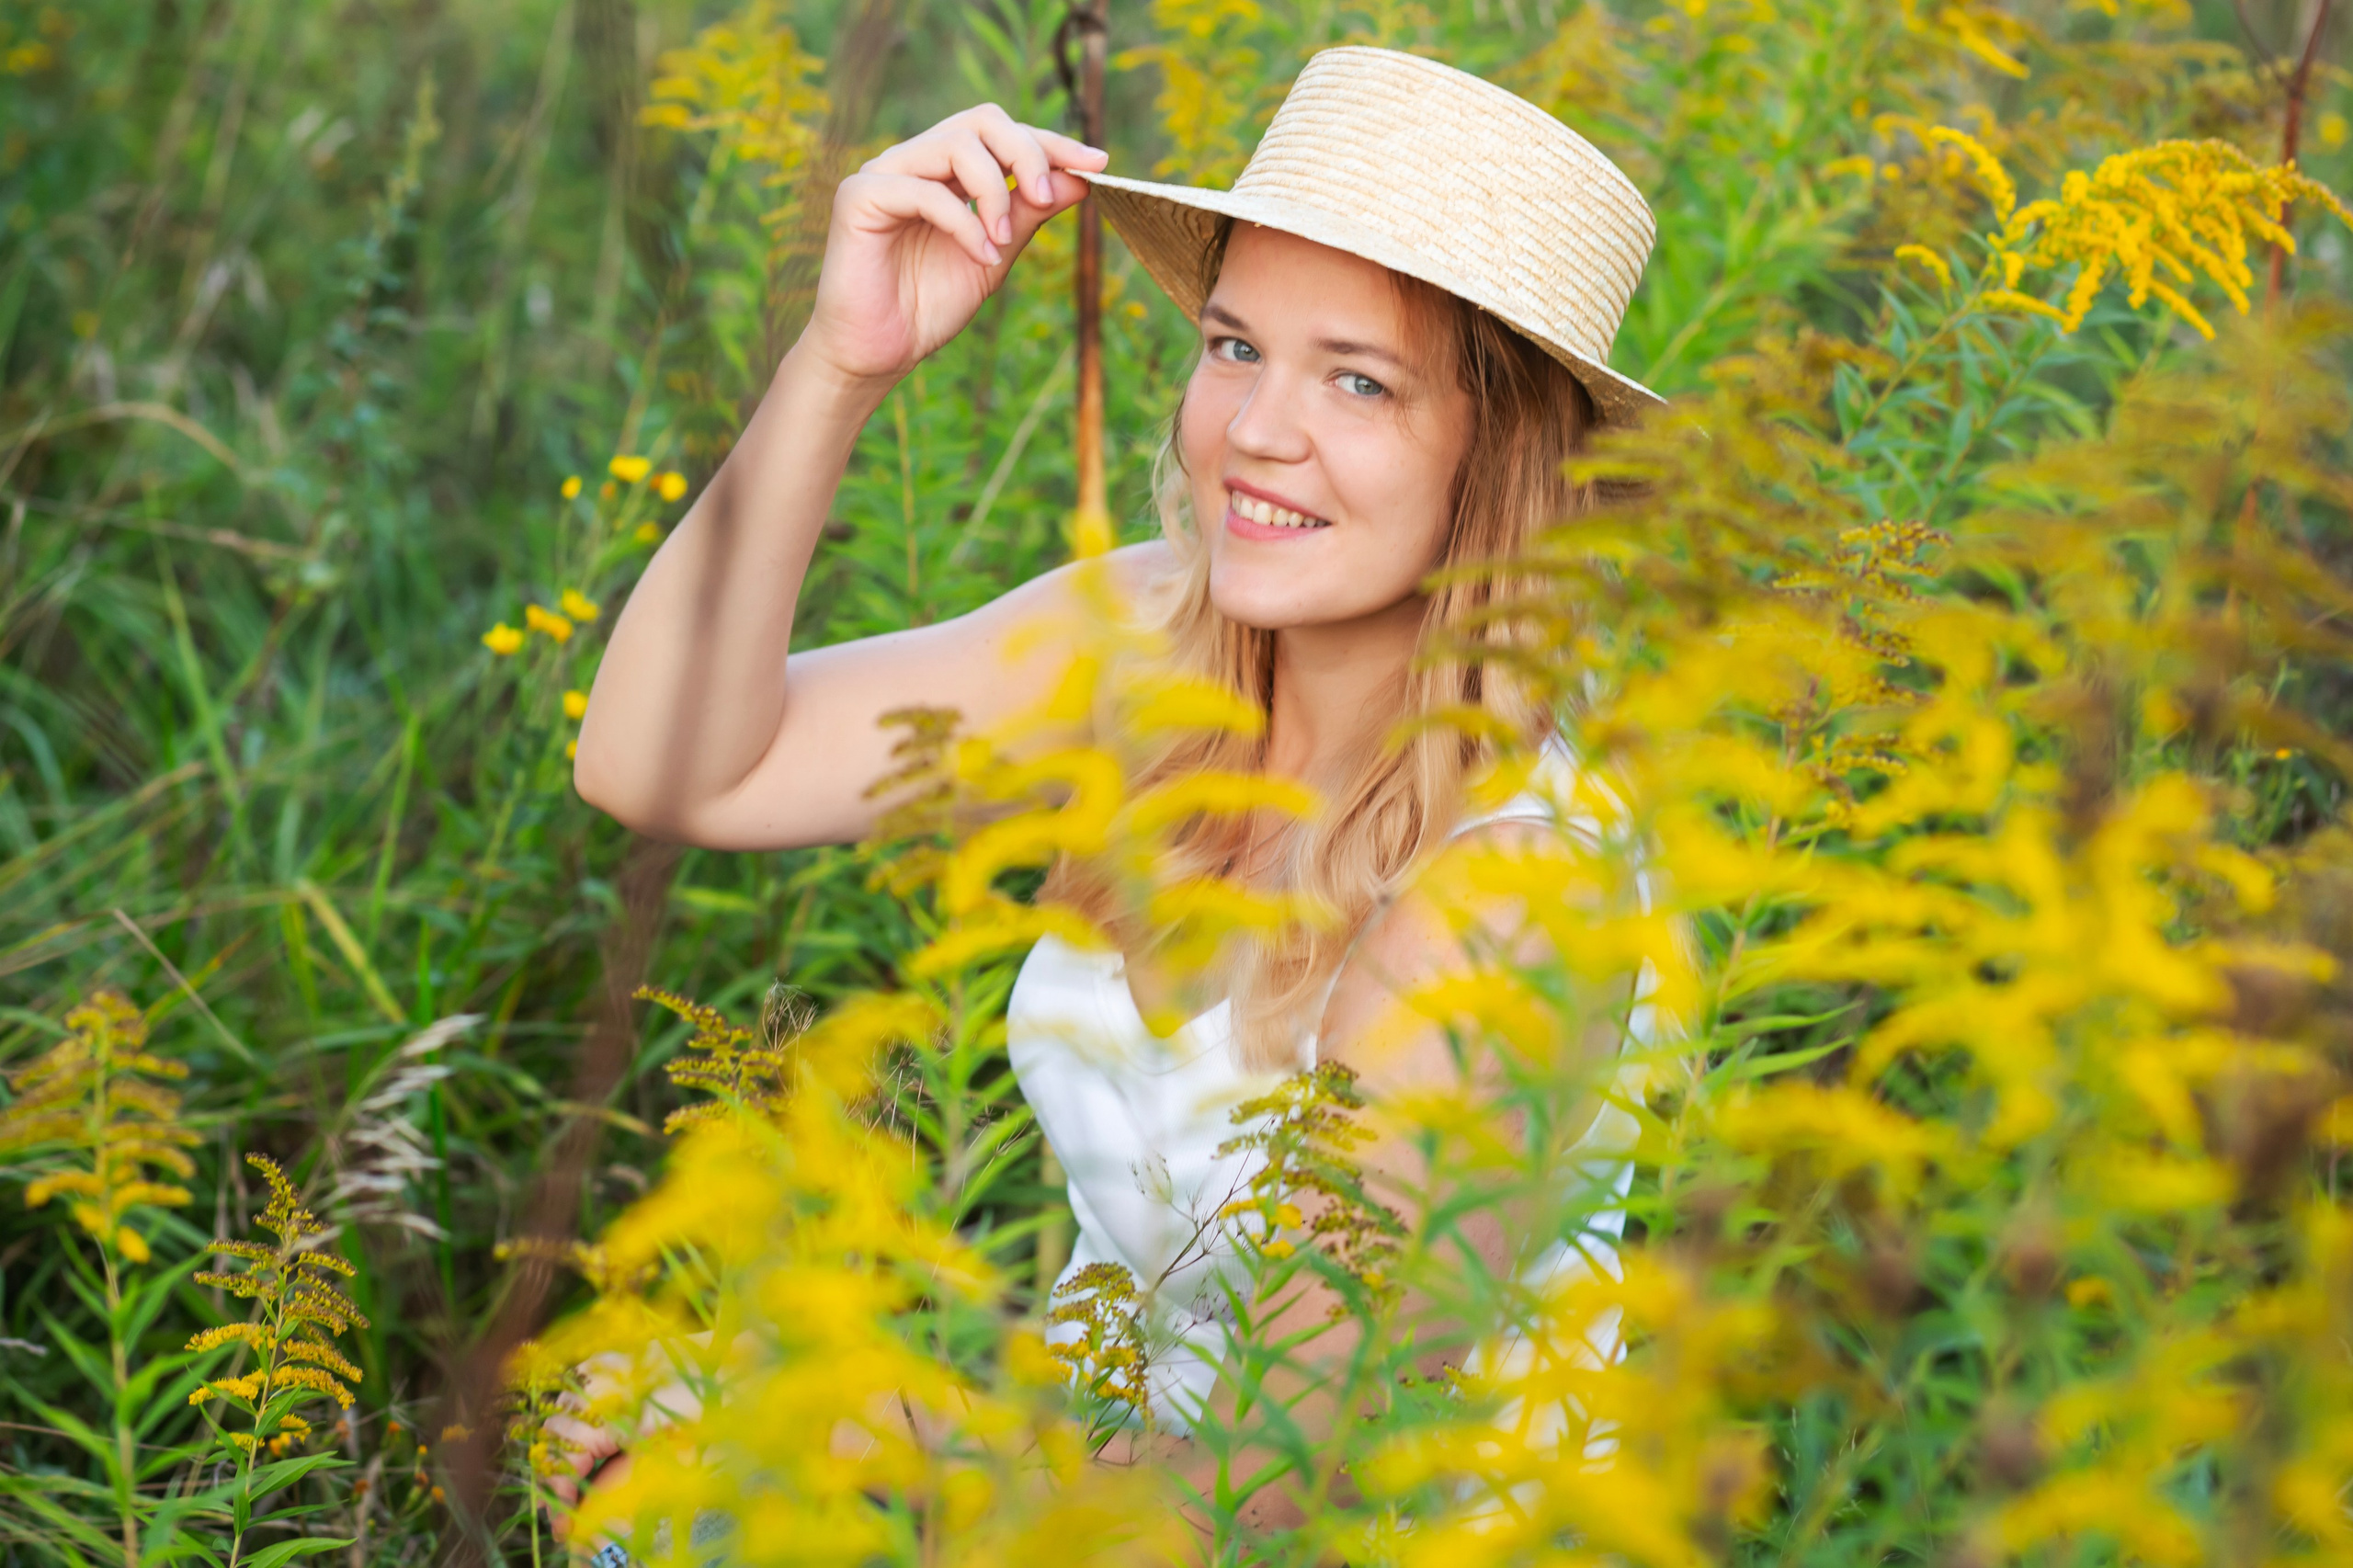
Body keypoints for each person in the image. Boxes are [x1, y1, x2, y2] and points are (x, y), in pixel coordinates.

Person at [555, 43, 1662, 1544]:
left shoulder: (1508, 894)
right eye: (1233, 346)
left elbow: (1266, 1496)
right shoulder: (1149, 639)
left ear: (1504, 455)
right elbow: (663, 760)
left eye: (1359, 379)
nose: (1257, 430)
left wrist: (859, 1421)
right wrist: (841, 363)